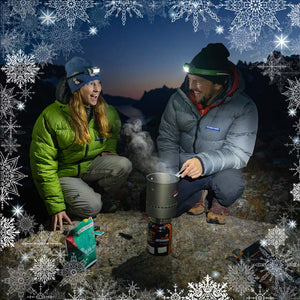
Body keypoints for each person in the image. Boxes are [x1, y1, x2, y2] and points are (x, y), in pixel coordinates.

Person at [157, 43, 258, 225]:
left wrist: (203, 163)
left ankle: (219, 203)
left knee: (230, 186)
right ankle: (196, 195)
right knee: (163, 206)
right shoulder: (178, 101)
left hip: (220, 168)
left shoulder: (244, 107)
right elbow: (167, 139)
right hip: (184, 166)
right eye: (190, 79)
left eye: (199, 82)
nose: (191, 86)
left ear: (219, 83)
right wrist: (169, 175)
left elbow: (238, 153)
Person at [30, 57, 132, 231]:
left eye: (98, 83)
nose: (97, 89)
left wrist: (108, 149)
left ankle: (96, 193)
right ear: (76, 86)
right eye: (91, 84)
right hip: (63, 173)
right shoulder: (51, 117)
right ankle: (73, 205)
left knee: (123, 164)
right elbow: (43, 165)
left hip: (88, 166)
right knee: (92, 207)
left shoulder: (104, 110)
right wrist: (56, 207)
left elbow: (114, 125)